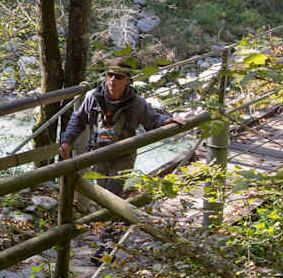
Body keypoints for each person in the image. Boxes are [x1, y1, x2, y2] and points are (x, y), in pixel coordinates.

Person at [58, 56, 188, 196]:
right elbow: (78, 119)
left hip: (124, 155)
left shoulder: (136, 103)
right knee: (101, 192)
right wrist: (66, 141)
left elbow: (153, 120)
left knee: (112, 192)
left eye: (119, 77)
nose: (113, 79)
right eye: (110, 75)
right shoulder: (93, 97)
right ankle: (104, 217)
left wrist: (168, 120)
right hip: (98, 152)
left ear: (127, 80)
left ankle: (106, 216)